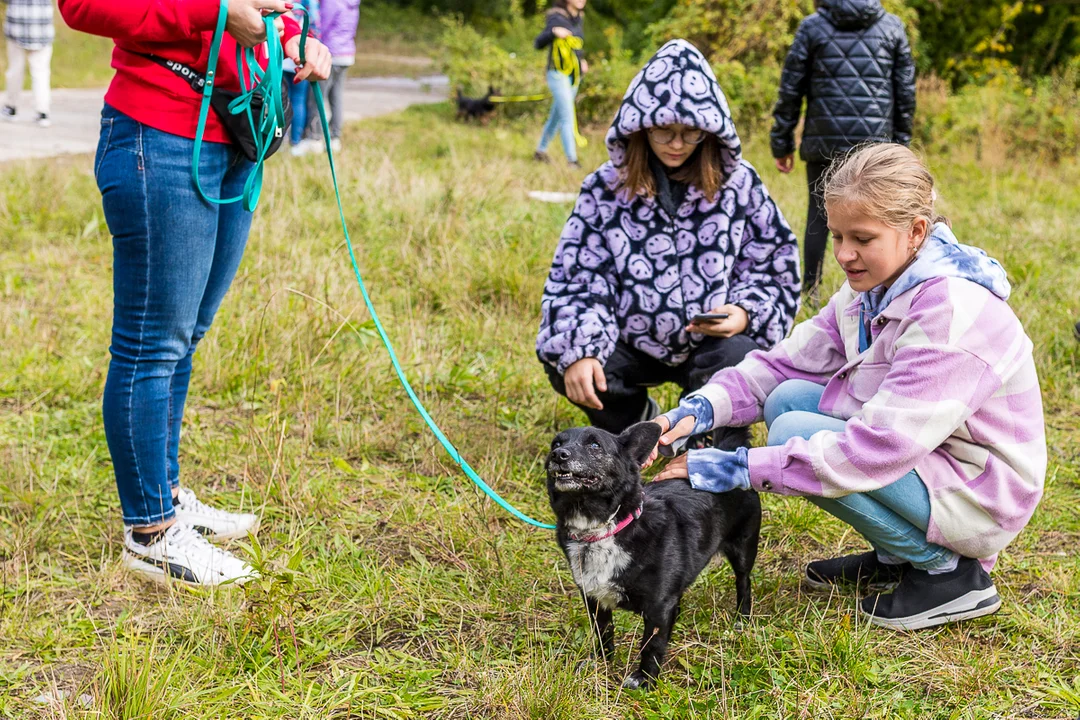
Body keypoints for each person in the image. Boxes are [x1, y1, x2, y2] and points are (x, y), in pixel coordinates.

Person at [650, 144, 1046, 630]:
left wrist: (730, 467)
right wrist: (689, 414)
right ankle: (895, 555)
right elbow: (782, 365)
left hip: (980, 490)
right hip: (935, 455)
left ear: (915, 232)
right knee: (786, 399)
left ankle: (947, 573)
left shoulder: (950, 313)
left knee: (793, 430)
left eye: (862, 238)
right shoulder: (872, 289)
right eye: (836, 235)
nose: (842, 254)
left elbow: (876, 449)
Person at [58, 0, 332, 586]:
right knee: (151, 345)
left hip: (235, 132)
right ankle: (151, 533)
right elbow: (82, 7)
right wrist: (215, 11)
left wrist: (291, 40)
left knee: (185, 336)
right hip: (157, 137)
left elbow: (259, 14)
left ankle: (167, 495)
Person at [537, 40, 802, 450]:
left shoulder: (740, 184)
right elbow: (578, 278)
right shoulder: (605, 189)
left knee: (741, 356)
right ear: (640, 124)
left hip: (712, 345)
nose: (677, 143)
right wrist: (582, 348)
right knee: (568, 359)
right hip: (632, 339)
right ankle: (638, 423)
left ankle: (699, 436)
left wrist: (745, 312)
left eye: (691, 132)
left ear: (711, 130)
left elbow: (774, 263)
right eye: (664, 130)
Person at [770, 0, 915, 297]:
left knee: (818, 215)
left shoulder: (812, 27)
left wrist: (781, 141)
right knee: (877, 221)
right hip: (875, 147)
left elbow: (790, 89)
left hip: (824, 140)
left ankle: (810, 292)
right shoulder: (892, 27)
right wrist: (901, 146)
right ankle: (879, 292)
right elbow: (905, 93)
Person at [532, 0, 586, 168]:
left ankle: (540, 151)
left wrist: (582, 59)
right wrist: (554, 32)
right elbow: (538, 43)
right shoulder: (556, 16)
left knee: (556, 117)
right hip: (557, 74)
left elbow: (577, 45)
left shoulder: (579, 17)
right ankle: (572, 160)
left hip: (574, 75)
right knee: (567, 116)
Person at [300, 0, 359, 153]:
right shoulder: (352, 3)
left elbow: (322, 27)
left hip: (329, 52)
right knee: (336, 97)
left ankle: (315, 137)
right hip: (346, 53)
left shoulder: (333, 2)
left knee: (317, 96)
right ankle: (334, 137)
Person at [2, 0, 54, 127]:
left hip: (17, 26)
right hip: (42, 26)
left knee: (15, 69)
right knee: (41, 72)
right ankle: (42, 112)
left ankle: (11, 107)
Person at [283, 0, 319, 155]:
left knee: (283, 99)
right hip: (301, 57)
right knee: (298, 100)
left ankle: (281, 138)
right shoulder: (309, 3)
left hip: (282, 57)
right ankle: (295, 141)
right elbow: (316, 24)